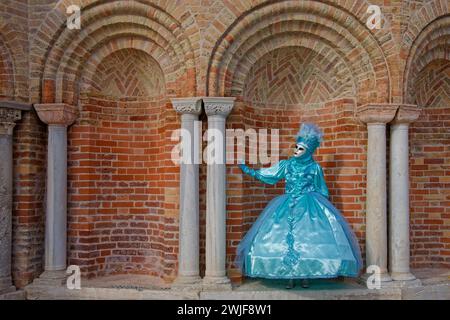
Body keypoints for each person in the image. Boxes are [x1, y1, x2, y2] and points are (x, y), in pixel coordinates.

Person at [236, 123, 363, 289]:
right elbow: (269, 174)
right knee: (281, 238)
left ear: (309, 151)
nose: (296, 151)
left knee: (309, 240)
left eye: (301, 149)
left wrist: (325, 211)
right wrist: (248, 170)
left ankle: (306, 275)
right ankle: (288, 275)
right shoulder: (287, 165)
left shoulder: (315, 168)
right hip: (286, 204)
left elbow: (322, 188)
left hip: (310, 206)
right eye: (296, 147)